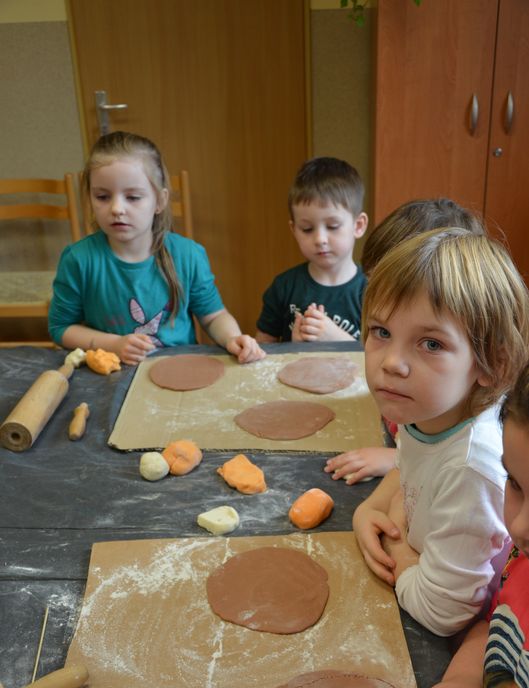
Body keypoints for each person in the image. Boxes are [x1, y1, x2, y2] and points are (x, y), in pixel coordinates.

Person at [352, 228, 529, 636]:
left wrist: (399, 546)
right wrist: (370, 509)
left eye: (430, 344)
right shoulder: (428, 412)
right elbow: (408, 467)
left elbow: (442, 613)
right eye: (381, 332)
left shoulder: (472, 467)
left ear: (493, 365)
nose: (392, 362)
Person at [406, 362, 529, 688]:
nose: (520, 525)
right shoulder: (523, 559)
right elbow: (498, 627)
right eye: (514, 483)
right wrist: (462, 680)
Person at [48, 131, 265, 366]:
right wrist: (115, 344)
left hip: (180, 368)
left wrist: (232, 338)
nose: (116, 208)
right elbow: (61, 328)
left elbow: (213, 317)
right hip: (113, 374)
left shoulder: (188, 255)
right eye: (102, 196)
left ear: (159, 201)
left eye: (132, 197)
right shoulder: (78, 260)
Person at [326, 198, 486, 485]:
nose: (391, 363)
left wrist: (394, 459)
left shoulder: (472, 460)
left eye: (431, 344)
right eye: (373, 285)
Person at [255, 156, 368, 343]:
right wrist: (294, 347)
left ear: (358, 225)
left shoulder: (373, 291)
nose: (320, 239)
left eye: (332, 226)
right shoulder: (284, 287)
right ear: (294, 230)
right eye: (307, 229)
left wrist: (338, 339)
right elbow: (264, 349)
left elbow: (379, 359)